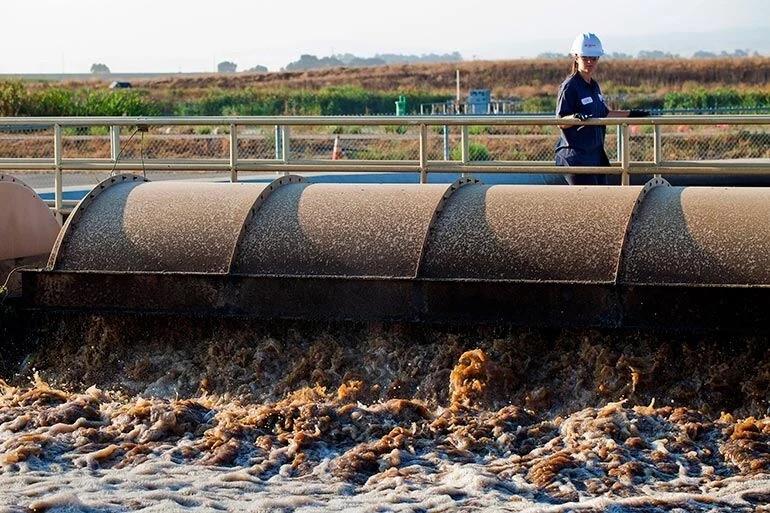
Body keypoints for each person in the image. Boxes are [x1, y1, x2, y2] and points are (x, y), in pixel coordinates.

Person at [555, 33, 649, 185]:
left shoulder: (593, 85)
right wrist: (574, 118)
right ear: (576, 57)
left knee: (601, 201)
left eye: (594, 58)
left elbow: (605, 113)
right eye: (585, 57)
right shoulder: (570, 86)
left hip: (595, 156)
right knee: (587, 203)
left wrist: (632, 114)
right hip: (576, 157)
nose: (590, 61)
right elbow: (560, 121)